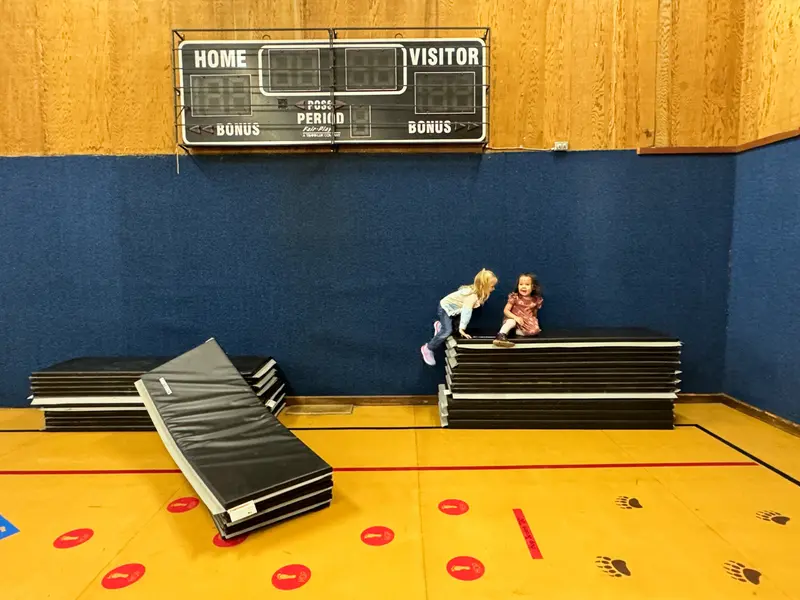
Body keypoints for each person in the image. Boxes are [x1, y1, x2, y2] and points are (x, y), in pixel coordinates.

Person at [420, 269, 498, 366]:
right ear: (483, 286)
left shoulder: (476, 292)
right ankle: (428, 348)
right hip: (445, 308)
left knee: (450, 330)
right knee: (447, 331)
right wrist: (462, 329)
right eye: (492, 286)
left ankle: (440, 326)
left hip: (454, 310)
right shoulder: (472, 296)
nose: (493, 289)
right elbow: (466, 312)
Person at [493, 273, 543, 347]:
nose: (523, 287)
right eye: (521, 284)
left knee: (534, 330)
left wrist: (534, 323)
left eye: (527, 284)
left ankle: (515, 332)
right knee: (511, 322)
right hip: (513, 318)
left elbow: (534, 313)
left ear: (533, 287)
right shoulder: (515, 297)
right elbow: (506, 310)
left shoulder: (535, 300)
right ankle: (501, 335)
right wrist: (515, 318)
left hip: (526, 321)